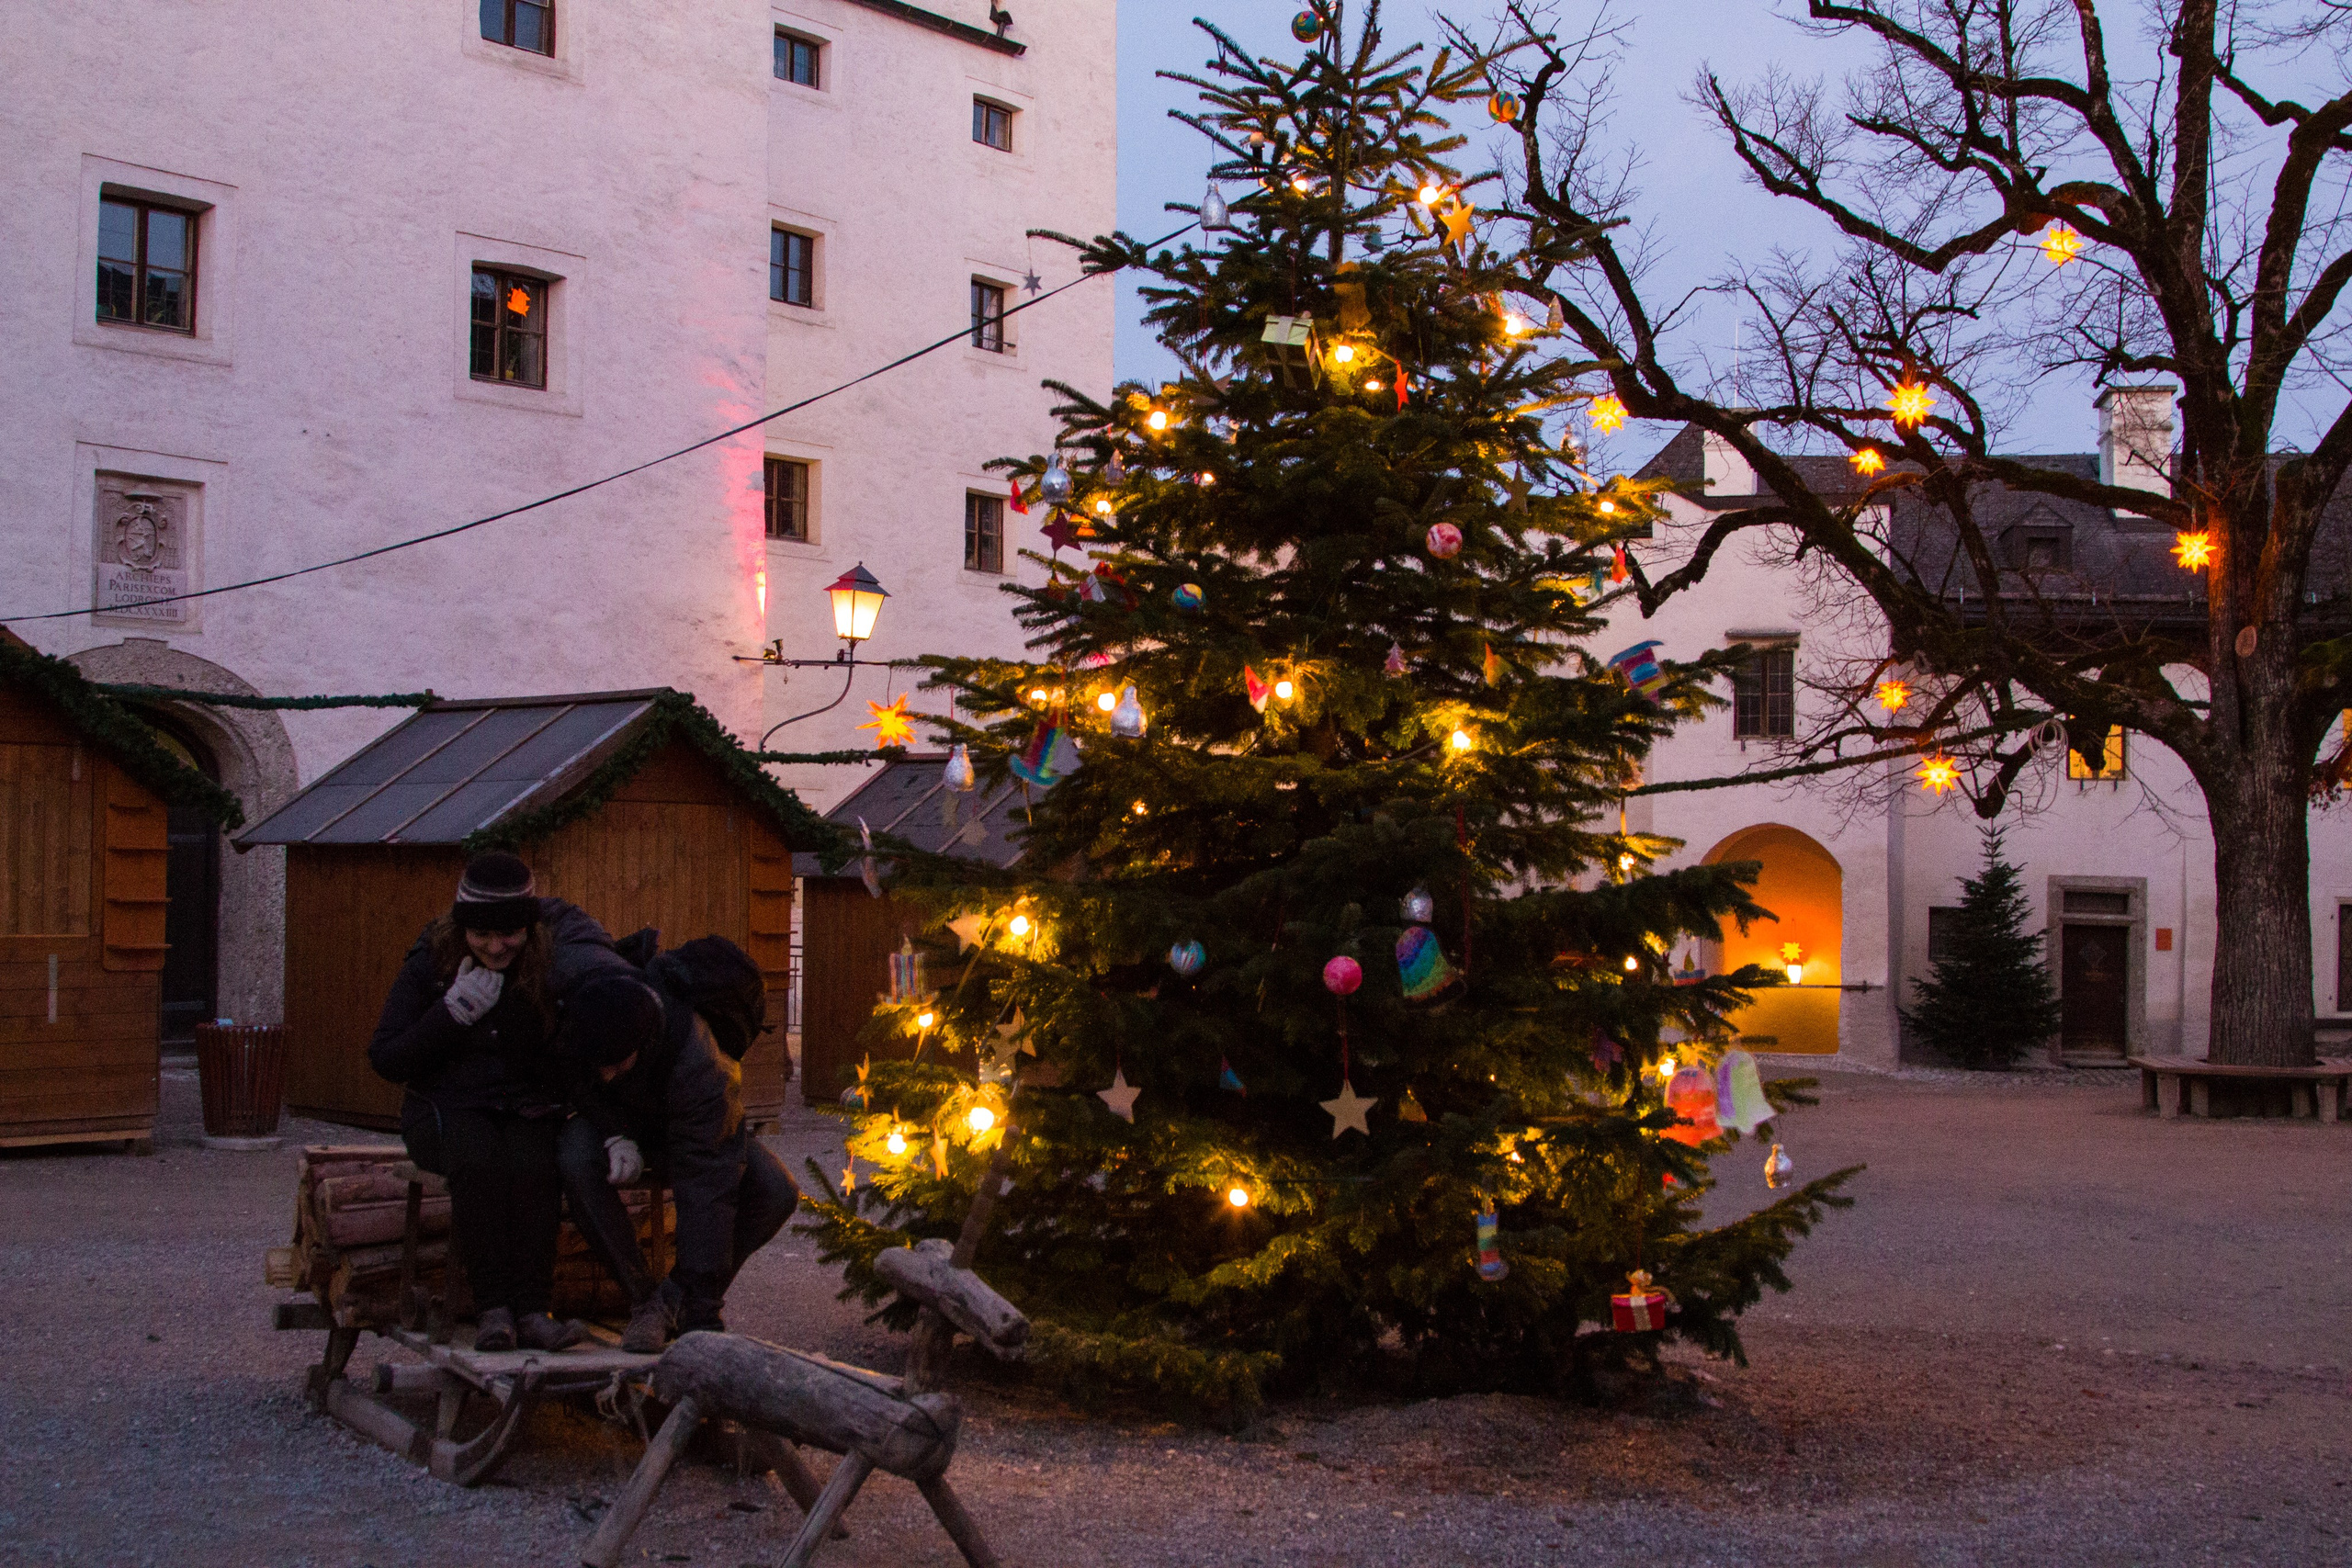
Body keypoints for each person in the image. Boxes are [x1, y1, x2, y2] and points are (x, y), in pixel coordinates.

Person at [368, 852, 629, 1352]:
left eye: (507, 934)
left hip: (523, 1105)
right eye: (481, 935)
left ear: (527, 928)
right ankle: (493, 1310)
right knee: (478, 1161)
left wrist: (612, 1127)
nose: (494, 946)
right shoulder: (430, 961)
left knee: (536, 1165)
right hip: (442, 1109)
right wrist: (451, 1014)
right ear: (462, 929)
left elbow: (568, 1060)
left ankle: (533, 1310)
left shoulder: (547, 963)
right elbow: (386, 1056)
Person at [556, 937, 802, 1354]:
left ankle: (680, 1298)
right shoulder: (587, 1021)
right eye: (601, 1066)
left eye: (618, 1065)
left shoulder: (702, 1067)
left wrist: (703, 1308)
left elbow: (708, 1181)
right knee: (576, 1157)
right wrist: (615, 1133)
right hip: (617, 1125)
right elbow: (583, 1084)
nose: (609, 1075)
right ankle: (643, 1297)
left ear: (644, 1041)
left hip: (691, 1126)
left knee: (776, 1191)